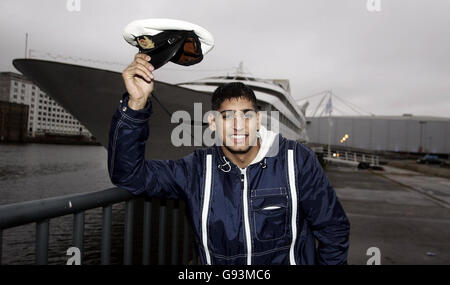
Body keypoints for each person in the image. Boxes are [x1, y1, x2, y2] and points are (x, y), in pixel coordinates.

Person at [108, 53, 350, 265]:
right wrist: (136, 105)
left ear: (259, 120)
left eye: (247, 115)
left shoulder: (297, 160)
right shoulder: (197, 169)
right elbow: (128, 175)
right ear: (213, 123)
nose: (238, 126)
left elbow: (333, 229)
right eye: (227, 117)